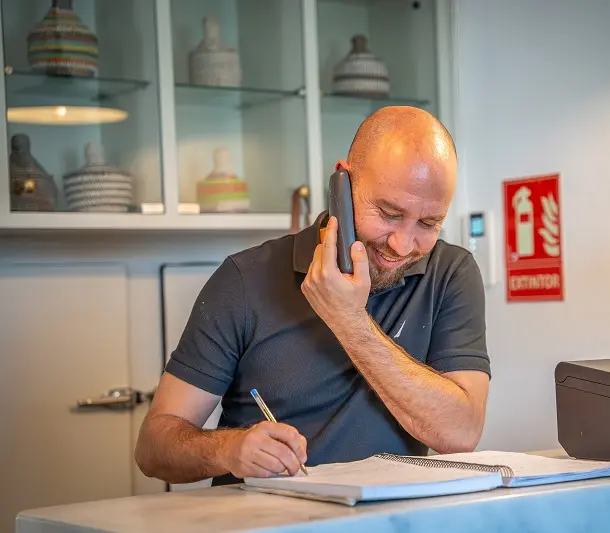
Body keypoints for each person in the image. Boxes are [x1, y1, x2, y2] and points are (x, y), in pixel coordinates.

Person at [134, 106, 491, 486]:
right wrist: (229, 449)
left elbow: (461, 433)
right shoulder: (243, 279)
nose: (402, 246)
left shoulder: (451, 272)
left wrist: (350, 321)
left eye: (427, 223)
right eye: (388, 213)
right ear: (344, 183)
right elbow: (154, 447)